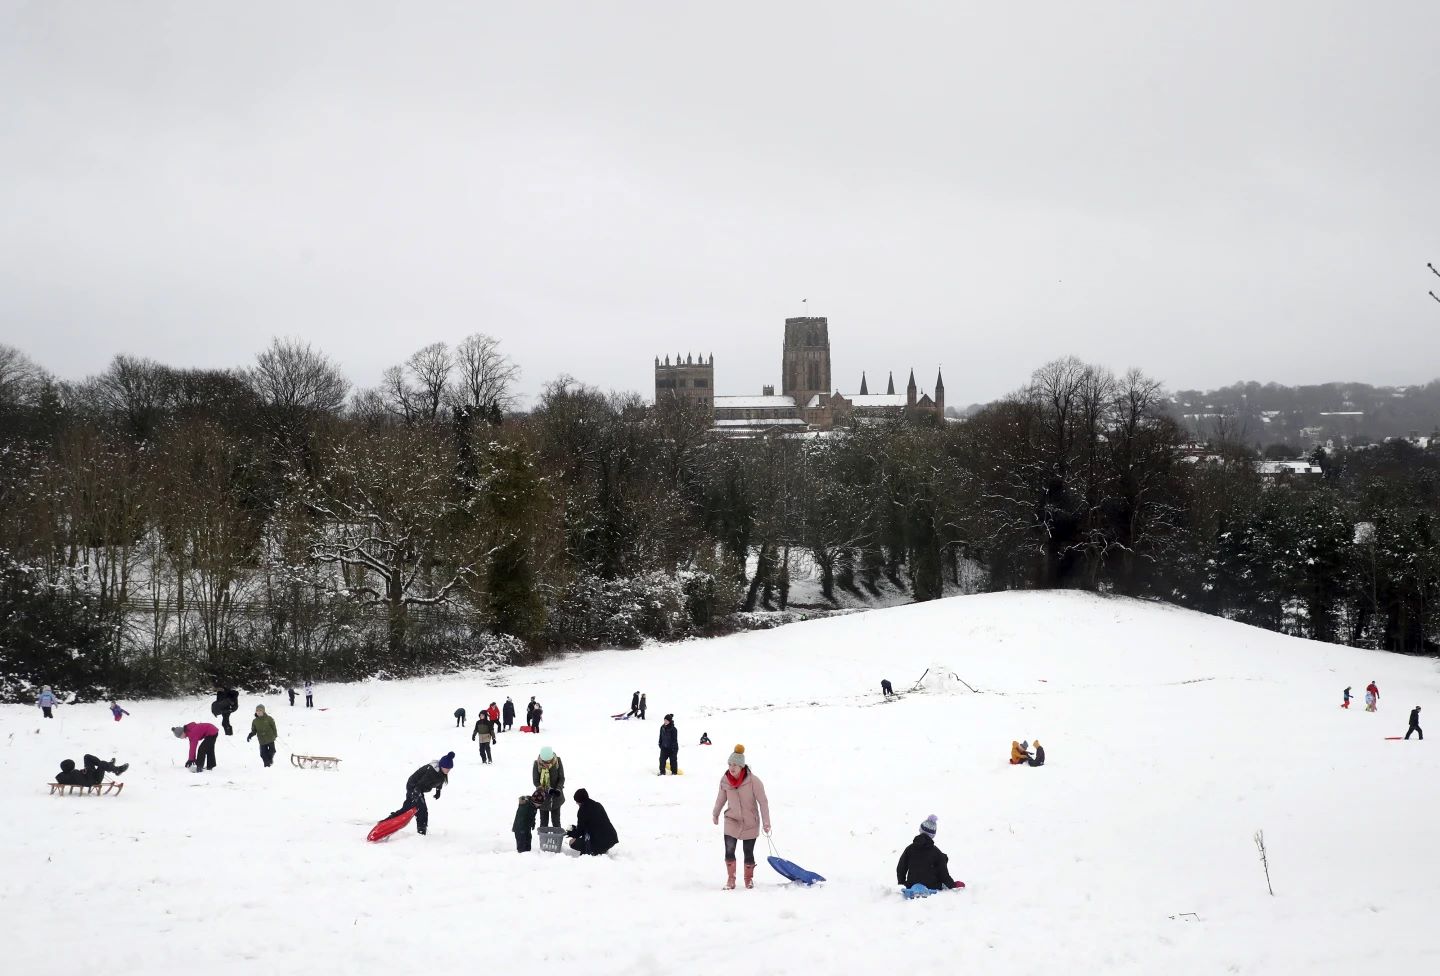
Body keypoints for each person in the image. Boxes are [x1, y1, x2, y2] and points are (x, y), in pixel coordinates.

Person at [711, 744, 771, 890]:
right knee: (729, 850)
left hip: (750, 822)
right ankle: (731, 879)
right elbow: (720, 798)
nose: (732, 768)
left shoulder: (753, 781)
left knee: (748, 852)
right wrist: (715, 813)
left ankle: (748, 879)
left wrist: (766, 822)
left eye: (735, 765)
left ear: (742, 766)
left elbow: (763, 802)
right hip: (731, 820)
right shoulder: (725, 780)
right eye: (730, 764)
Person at [388, 752, 453, 836]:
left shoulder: (442, 772)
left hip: (419, 788)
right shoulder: (432, 771)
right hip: (414, 786)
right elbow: (419, 784)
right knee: (421, 809)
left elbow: (439, 781)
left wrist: (438, 790)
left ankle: (419, 830)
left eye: (449, 768)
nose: (448, 770)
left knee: (412, 807)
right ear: (441, 765)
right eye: (446, 768)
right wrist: (415, 796)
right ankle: (421, 832)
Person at [896, 815, 962, 893]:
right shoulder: (936, 852)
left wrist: (902, 882)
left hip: (912, 884)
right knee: (943, 857)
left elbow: (901, 867)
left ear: (920, 830)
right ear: (933, 835)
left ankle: (914, 889)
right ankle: (927, 889)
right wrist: (952, 884)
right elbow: (943, 873)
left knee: (941, 857)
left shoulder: (909, 848)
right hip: (932, 885)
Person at [567, 788, 619, 855]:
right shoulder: (598, 805)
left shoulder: (582, 811)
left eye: (577, 801)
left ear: (580, 800)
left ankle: (596, 850)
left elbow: (579, 832)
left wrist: (571, 834)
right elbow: (593, 823)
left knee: (572, 842)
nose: (576, 803)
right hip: (611, 839)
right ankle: (601, 848)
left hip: (599, 842)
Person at [532, 747, 566, 829]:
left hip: (556, 797)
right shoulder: (537, 764)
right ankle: (544, 840)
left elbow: (561, 778)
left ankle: (557, 840)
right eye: (545, 761)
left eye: (549, 761)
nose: (547, 763)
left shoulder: (557, 761)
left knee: (556, 822)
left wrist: (558, 788)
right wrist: (546, 789)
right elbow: (536, 781)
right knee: (543, 823)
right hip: (543, 797)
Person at [55, 755, 129, 786]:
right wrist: (86, 771)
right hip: (95, 780)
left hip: (90, 774)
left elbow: (80, 777)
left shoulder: (65, 774)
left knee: (87, 757)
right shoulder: (72, 773)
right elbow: (86, 783)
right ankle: (117, 770)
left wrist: (85, 771)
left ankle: (109, 766)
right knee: (102, 764)